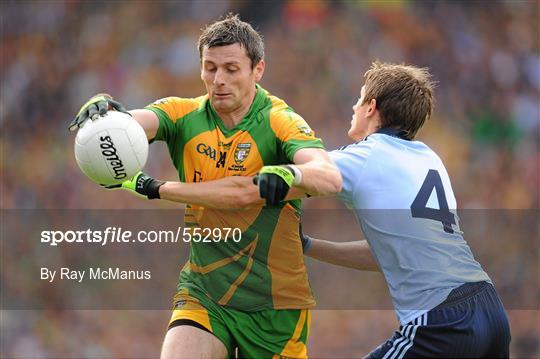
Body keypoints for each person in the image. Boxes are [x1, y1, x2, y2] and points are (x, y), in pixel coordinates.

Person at [69, 14, 341, 359]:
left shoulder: (280, 120)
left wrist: (291, 175)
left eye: (231, 69)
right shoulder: (183, 114)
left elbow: (328, 176)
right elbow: (133, 125)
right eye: (210, 68)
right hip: (204, 291)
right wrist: (107, 117)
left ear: (258, 70)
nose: (218, 80)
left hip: (275, 306)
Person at [300, 61, 511, 358]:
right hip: (489, 310)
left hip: (443, 322)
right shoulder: (429, 157)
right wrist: (309, 246)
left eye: (359, 99)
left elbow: (303, 172)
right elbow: (391, 251)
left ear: (371, 107)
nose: (354, 106)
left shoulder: (368, 154)